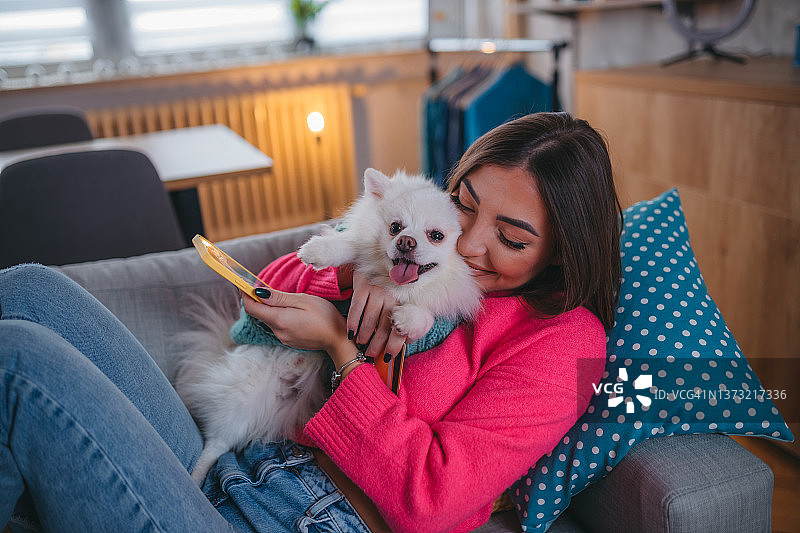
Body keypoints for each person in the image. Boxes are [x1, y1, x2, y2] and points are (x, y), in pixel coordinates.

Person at [0, 112, 621, 533]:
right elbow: (272, 285)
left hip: (303, 517)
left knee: (17, 358)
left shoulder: (562, 344)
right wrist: (348, 284)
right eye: (463, 206)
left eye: (510, 238)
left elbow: (435, 501)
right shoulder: (415, 236)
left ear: (562, 252)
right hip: (241, 455)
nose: (467, 243)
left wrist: (339, 347)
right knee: (30, 288)